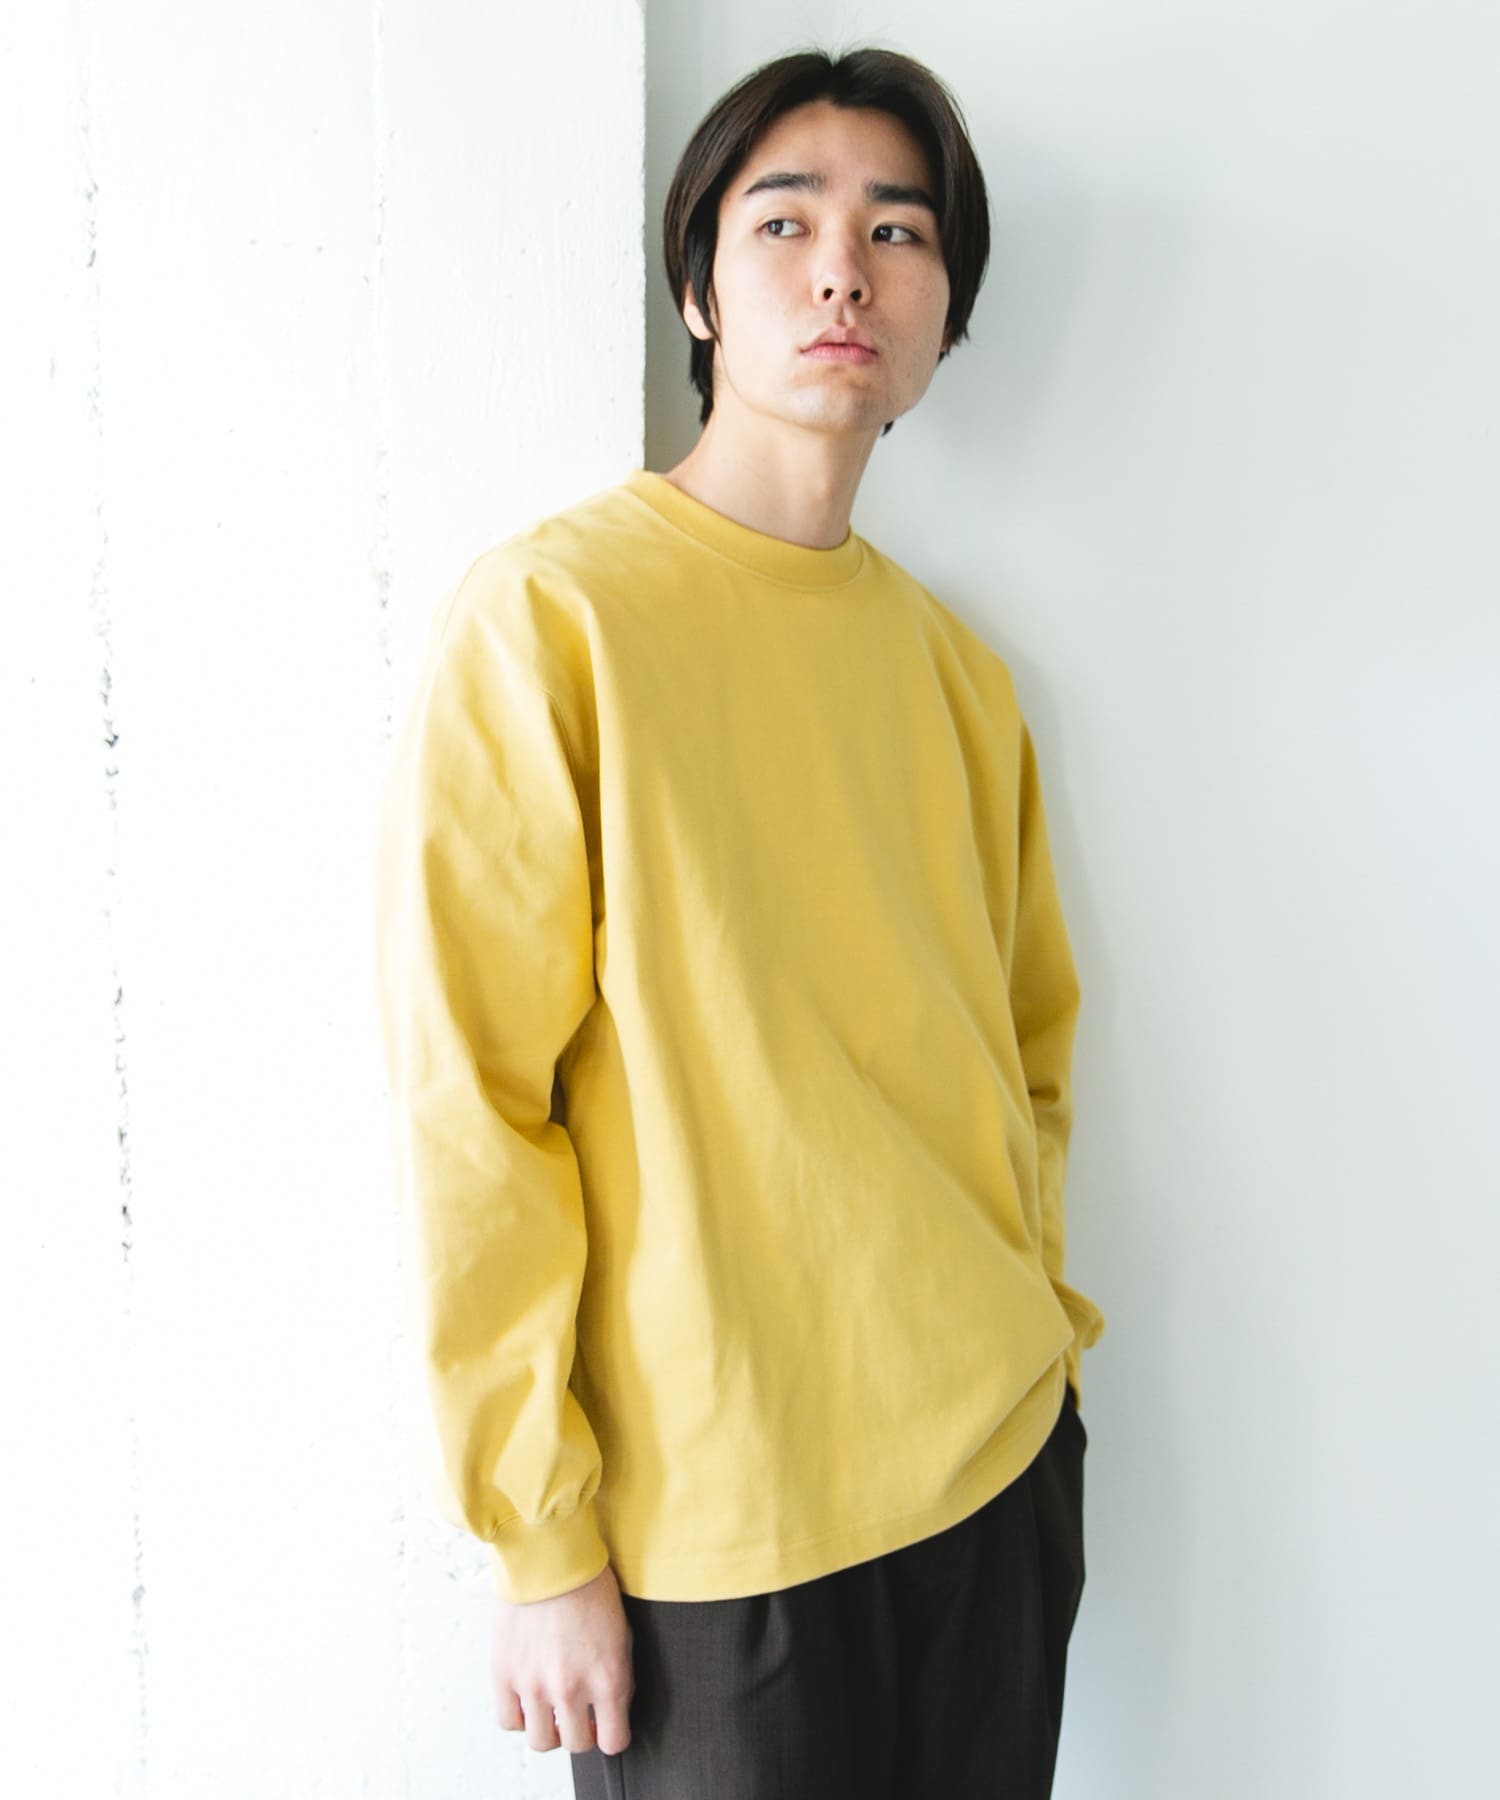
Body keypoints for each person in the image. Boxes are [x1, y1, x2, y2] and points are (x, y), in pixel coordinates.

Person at [373, 43, 1106, 1800]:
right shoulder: (554, 620)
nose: (845, 269)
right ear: (699, 290)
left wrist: (1043, 1344)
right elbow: (474, 1106)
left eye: (899, 232)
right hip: (714, 1534)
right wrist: (540, 1537)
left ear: (944, 315)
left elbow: (1026, 1054)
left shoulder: (960, 676)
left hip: (994, 1466)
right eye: (786, 221)